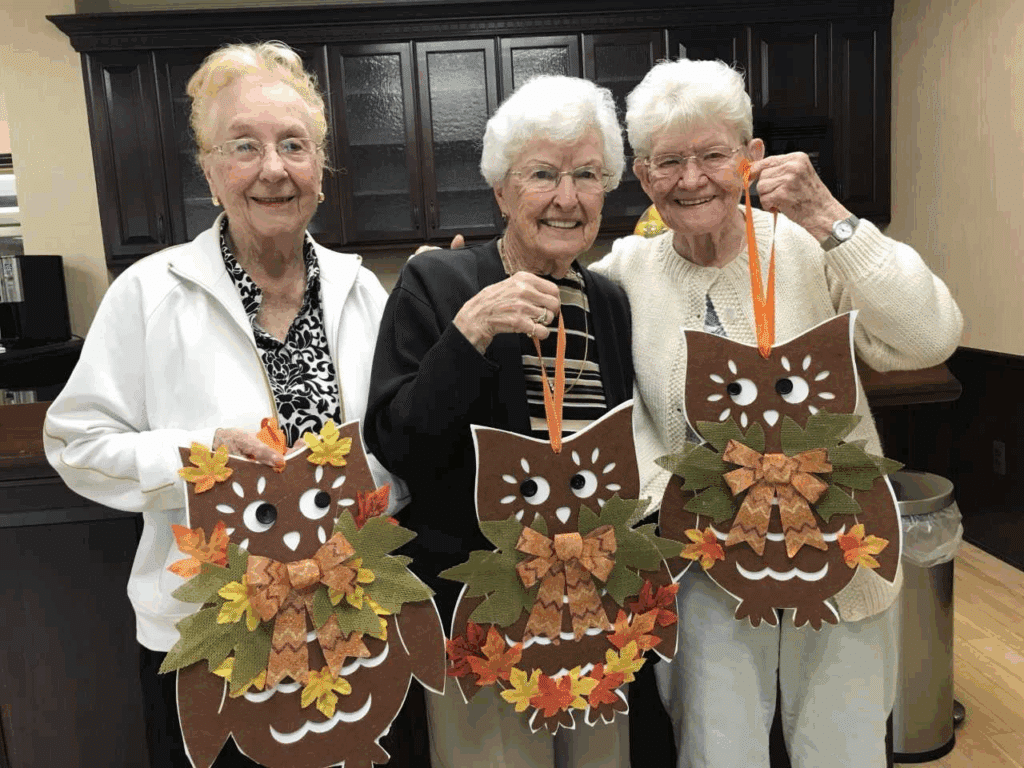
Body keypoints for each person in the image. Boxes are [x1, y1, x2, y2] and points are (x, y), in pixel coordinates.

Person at [591, 58, 964, 768]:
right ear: (643, 176)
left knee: (841, 750)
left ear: (752, 157)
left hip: (842, 556)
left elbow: (928, 337)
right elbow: (615, 415)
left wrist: (829, 216)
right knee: (715, 751)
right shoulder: (624, 277)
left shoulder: (808, 246)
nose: (691, 178)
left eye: (712, 154)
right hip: (708, 572)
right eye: (669, 160)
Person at [43, 42, 405, 768]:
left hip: (350, 631)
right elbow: (75, 442)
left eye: (293, 145)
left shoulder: (364, 293)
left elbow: (396, 451)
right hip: (212, 642)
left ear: (320, 171)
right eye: (244, 145)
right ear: (209, 170)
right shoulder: (148, 293)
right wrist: (194, 458)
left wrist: (379, 490)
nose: (273, 168)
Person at [365, 74, 636, 768]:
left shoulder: (609, 302)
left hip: (589, 603)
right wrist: (469, 335)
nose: (566, 197)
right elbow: (399, 443)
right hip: (478, 607)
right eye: (542, 174)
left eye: (586, 174)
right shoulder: (440, 284)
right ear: (501, 191)